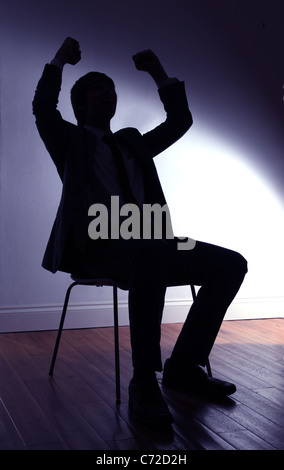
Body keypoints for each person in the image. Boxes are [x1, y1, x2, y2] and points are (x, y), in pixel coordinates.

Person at [33, 37, 247, 428]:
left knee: (231, 264)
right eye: (100, 89)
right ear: (81, 104)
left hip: (151, 242)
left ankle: (183, 367)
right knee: (150, 251)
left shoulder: (133, 144)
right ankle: (144, 381)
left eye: (112, 89)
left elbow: (180, 122)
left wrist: (158, 73)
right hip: (99, 244)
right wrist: (59, 62)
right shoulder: (71, 142)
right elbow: (43, 109)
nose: (109, 94)